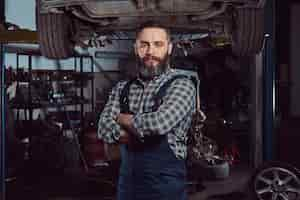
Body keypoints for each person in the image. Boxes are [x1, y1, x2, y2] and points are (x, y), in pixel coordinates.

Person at [97, 21, 196, 200]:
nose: (150, 51)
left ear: (169, 48)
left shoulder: (182, 84)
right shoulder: (122, 88)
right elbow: (103, 128)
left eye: (158, 44)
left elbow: (160, 123)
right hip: (128, 185)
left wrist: (122, 119)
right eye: (144, 44)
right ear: (136, 48)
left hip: (165, 187)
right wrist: (135, 131)